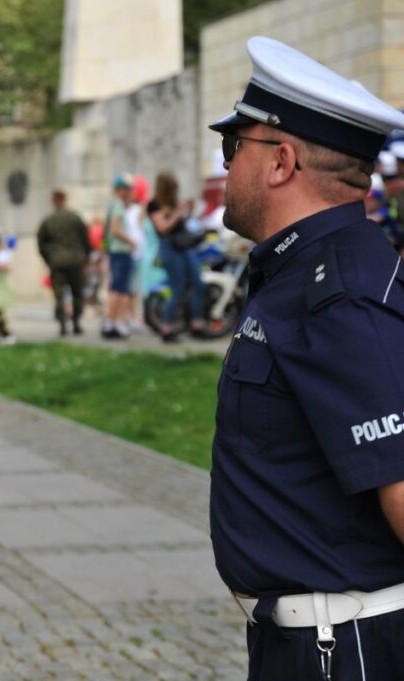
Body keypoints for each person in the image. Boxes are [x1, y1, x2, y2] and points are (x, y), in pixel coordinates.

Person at [208, 37, 404, 680]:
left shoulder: (339, 293)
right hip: (312, 639)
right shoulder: (307, 270)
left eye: (233, 146)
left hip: (343, 646)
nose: (225, 165)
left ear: (280, 161)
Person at [146, 171, 206, 342]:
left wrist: (188, 210)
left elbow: (185, 222)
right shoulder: (154, 205)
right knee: (177, 289)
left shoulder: (174, 202)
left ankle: (197, 322)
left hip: (184, 246)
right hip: (169, 248)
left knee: (198, 283)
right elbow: (163, 228)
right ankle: (166, 328)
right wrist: (178, 211)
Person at [37, 189, 90, 335]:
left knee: (59, 294)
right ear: (65, 200)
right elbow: (86, 239)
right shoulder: (75, 218)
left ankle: (62, 324)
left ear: (53, 201)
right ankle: (76, 323)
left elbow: (41, 243)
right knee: (77, 293)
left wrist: (48, 258)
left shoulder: (48, 221)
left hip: (57, 261)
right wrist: (86, 257)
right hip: (76, 261)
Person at [102, 174, 137, 338]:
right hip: (121, 251)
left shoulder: (114, 205)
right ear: (120, 189)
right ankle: (114, 321)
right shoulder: (117, 206)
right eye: (127, 189)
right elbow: (115, 229)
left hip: (116, 251)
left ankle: (111, 321)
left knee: (116, 287)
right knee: (120, 288)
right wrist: (131, 241)